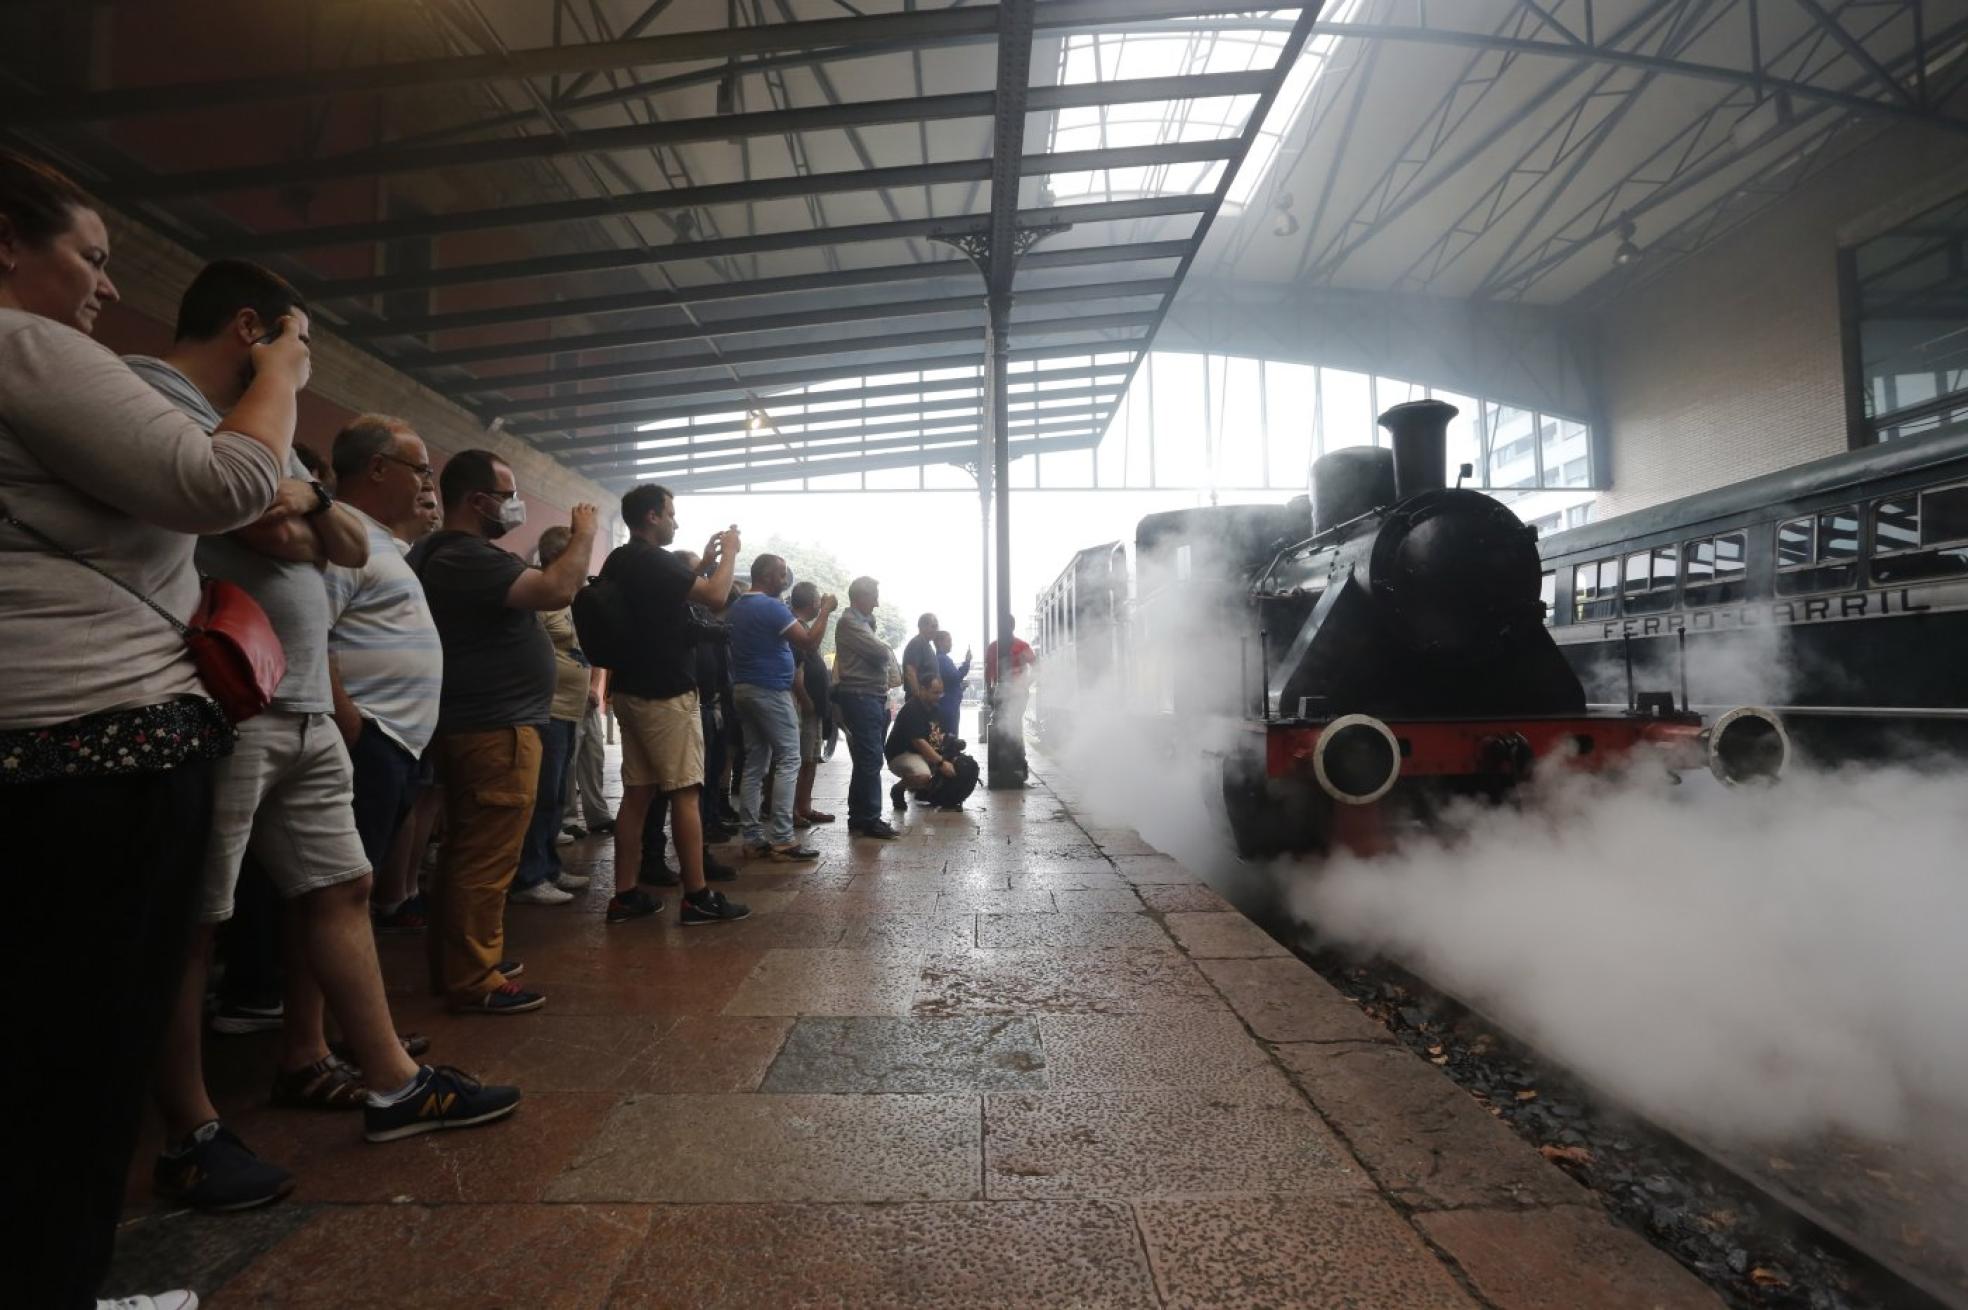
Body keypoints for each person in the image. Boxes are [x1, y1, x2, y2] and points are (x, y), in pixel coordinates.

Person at [130, 263, 516, 1218]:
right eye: (300, 344)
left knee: (339, 887)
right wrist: (298, 499)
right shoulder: (168, 400)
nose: (306, 364)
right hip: (229, 701)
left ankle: (390, 1083)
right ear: (255, 330)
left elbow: (334, 538)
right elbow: (253, 516)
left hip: (300, 709)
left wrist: (301, 502)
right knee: (197, 923)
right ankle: (191, 1129)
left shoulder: (275, 442)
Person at [0, 149, 291, 1310]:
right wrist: (285, 369)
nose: (106, 288)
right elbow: (224, 486)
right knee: (76, 1054)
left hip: (56, 746)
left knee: (50, 1043)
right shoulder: (24, 343)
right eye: (90, 256)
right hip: (93, 745)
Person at [409, 449, 598, 1012]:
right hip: (494, 725)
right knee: (486, 856)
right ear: (478, 500)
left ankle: (467, 959)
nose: (515, 504)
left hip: (490, 721)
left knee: (475, 850)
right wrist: (584, 532)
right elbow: (555, 590)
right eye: (508, 493)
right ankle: (474, 978)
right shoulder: (461, 555)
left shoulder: (460, 555)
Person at [599, 483, 750, 925]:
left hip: (629, 688)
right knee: (686, 790)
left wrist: (704, 563)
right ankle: (697, 896)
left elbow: (663, 597)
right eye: (670, 513)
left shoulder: (619, 560)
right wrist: (732, 554)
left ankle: (625, 894)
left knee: (638, 793)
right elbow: (717, 597)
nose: (675, 522)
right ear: (651, 516)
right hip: (665, 691)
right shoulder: (652, 560)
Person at [323, 415, 445, 935]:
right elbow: (311, 636)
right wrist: (353, 724)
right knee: (341, 887)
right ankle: (270, 999)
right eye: (419, 469)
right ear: (377, 468)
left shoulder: (378, 542)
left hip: (393, 742)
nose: (426, 482)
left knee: (360, 881)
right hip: (367, 737)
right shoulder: (341, 539)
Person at [729, 554, 835, 861]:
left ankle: (751, 836)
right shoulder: (771, 606)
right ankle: (783, 838)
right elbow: (809, 642)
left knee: (755, 763)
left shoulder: (738, 607)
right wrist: (825, 610)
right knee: (790, 758)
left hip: (743, 689)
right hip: (771, 691)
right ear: (765, 575)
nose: (785, 579)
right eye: (781, 574)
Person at [511, 525, 595, 904]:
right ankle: (530, 875)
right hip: (547, 709)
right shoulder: (541, 596)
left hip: (570, 709)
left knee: (557, 793)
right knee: (543, 794)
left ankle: (549, 866)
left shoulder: (570, 599)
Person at [834, 575, 900, 839]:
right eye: (873, 596)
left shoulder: (862, 623)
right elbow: (880, 653)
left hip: (867, 697)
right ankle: (870, 817)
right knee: (871, 757)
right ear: (860, 597)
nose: (877, 603)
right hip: (861, 697)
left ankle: (859, 816)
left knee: (865, 759)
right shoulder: (850, 622)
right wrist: (884, 648)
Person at [788, 581, 835, 827]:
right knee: (798, 759)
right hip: (803, 705)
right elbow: (798, 668)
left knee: (810, 758)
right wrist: (805, 698)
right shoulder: (796, 628)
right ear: (812, 603)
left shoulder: (805, 627)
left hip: (813, 706)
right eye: (819, 600)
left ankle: (804, 806)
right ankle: (792, 809)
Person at [887, 676, 961, 808]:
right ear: (922, 689)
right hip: (901, 754)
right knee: (923, 776)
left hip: (922, 754)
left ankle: (927, 791)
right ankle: (898, 789)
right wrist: (941, 763)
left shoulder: (935, 709)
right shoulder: (912, 709)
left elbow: (940, 737)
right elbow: (919, 742)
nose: (939, 696)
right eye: (935, 692)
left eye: (941, 692)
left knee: (957, 764)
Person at [984, 615, 1038, 781]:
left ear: (1012, 626)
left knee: (1012, 726)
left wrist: (1024, 684)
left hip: (1015, 693)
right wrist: (990, 692)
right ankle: (1013, 762)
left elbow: (1037, 666)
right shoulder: (996, 647)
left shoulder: (1018, 646)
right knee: (1007, 727)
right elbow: (988, 672)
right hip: (1003, 693)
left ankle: (1017, 762)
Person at [933, 630, 970, 738]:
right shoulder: (943, 659)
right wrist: (966, 662)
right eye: (948, 641)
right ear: (940, 642)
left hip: (947, 702)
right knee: (950, 735)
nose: (950, 644)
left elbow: (950, 680)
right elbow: (956, 677)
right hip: (948, 705)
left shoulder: (941, 659)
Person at [900, 611, 941, 697]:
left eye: (937, 627)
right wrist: (918, 696)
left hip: (928, 698)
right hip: (921, 698)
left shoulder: (926, 645)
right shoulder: (917, 643)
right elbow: (910, 671)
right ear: (922, 627)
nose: (936, 630)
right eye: (933, 626)